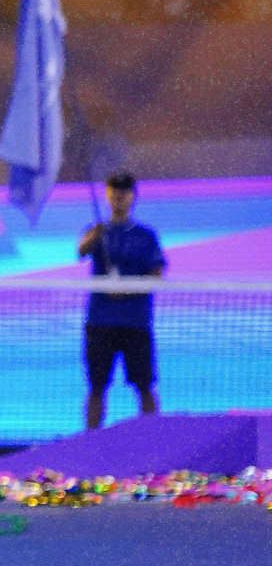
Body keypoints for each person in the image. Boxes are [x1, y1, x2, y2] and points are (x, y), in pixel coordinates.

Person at [79, 171, 165, 429]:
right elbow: (81, 250)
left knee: (144, 385)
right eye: (114, 193)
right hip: (100, 322)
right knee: (96, 386)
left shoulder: (145, 236)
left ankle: (152, 438)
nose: (119, 198)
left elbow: (156, 274)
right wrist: (93, 236)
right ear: (108, 196)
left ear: (133, 197)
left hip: (134, 323)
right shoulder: (97, 232)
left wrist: (127, 290)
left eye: (124, 194)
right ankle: (90, 440)